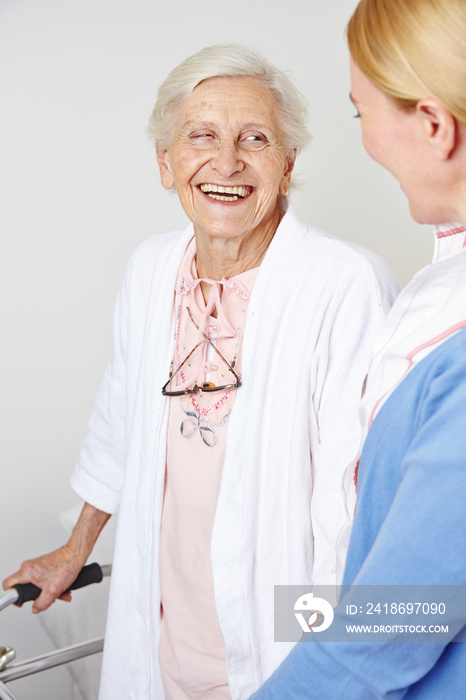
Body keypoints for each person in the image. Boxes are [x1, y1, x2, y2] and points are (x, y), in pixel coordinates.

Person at [2, 44, 398, 699]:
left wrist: (333, 665)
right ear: (166, 162)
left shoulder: (345, 284)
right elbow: (118, 420)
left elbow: (356, 502)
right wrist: (74, 552)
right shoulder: (150, 270)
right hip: (161, 643)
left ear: (289, 162)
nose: (227, 162)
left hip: (281, 653)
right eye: (201, 136)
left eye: (255, 139)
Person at [249, 1, 466, 698]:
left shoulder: (358, 286)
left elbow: (399, 623)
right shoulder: (436, 291)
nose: (364, 139)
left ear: (433, 125)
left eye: (360, 112)